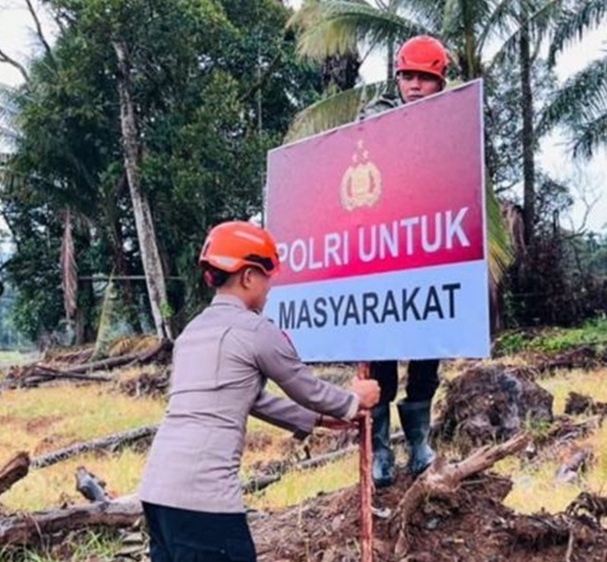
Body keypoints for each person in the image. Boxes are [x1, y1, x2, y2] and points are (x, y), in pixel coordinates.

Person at [138, 220, 381, 562]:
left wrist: (319, 419)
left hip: (157, 490)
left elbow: (249, 398)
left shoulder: (192, 332)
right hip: (203, 497)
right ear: (248, 276)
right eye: (267, 277)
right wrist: (355, 400)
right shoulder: (254, 329)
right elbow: (304, 385)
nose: (269, 288)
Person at [358, 34, 450, 489]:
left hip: (431, 253)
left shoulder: (456, 121)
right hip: (383, 253)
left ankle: (418, 443)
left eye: (425, 79)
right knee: (379, 355)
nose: (415, 86)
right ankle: (378, 449)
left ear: (440, 81)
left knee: (428, 351)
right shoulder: (376, 113)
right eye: (408, 76)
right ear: (397, 78)